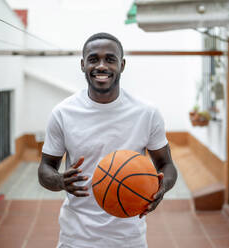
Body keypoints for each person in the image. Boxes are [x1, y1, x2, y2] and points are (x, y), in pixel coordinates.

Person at [38, 32, 178, 248]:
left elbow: (166, 164)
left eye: (110, 59)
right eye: (93, 59)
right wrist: (59, 181)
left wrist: (162, 188)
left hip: (129, 237)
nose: (101, 66)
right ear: (83, 64)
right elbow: (46, 168)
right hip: (76, 237)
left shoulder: (146, 113)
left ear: (122, 65)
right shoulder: (63, 113)